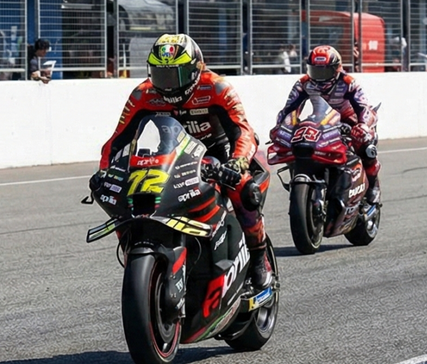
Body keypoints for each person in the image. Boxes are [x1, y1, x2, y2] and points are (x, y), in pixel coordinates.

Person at [95, 34, 275, 289]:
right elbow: (116, 141)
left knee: (244, 189)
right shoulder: (143, 93)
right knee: (127, 193)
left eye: (175, 76)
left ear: (195, 71)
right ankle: (136, 248)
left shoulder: (216, 87)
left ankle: (259, 256)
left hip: (216, 152)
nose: (167, 85)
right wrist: (104, 171)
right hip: (168, 156)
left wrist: (237, 162)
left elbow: (242, 130)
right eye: (160, 75)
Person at [274, 45, 381, 205]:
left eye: (324, 71)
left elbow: (364, 108)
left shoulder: (348, 83)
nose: (319, 76)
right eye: (315, 71)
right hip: (321, 119)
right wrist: (281, 127)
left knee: (365, 144)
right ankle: (301, 181)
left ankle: (373, 185)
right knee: (295, 144)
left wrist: (363, 126)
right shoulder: (303, 83)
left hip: (349, 121)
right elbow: (289, 109)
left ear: (336, 68)